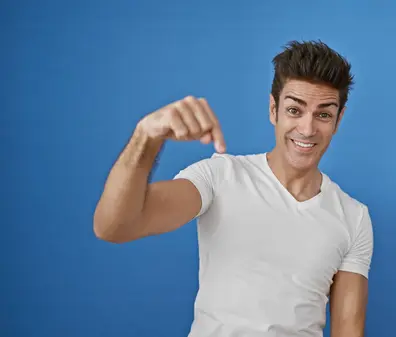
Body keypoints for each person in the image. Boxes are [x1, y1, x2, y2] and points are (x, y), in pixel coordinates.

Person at [93, 40, 374, 337]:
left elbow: (348, 331)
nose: (307, 129)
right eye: (294, 110)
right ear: (273, 109)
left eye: (323, 114)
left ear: (338, 120)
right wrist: (146, 137)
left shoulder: (353, 217)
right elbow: (115, 226)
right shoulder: (220, 176)